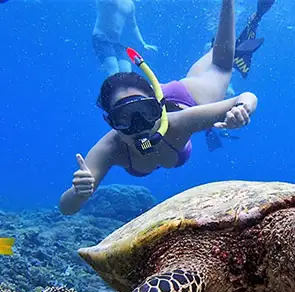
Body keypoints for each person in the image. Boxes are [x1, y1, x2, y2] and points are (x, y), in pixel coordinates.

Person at [60, 0, 258, 216]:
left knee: (222, 65)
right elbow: (67, 208)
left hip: (186, 95)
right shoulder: (110, 148)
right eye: (124, 118)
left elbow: (246, 97)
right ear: (111, 122)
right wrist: (79, 193)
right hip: (153, 97)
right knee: (216, 63)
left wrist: (242, 109)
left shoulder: (180, 121)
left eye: (145, 113)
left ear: (157, 107)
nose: (139, 126)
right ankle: (209, 50)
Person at [205, 0, 275, 151]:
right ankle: (257, 15)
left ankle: (257, 15)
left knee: (230, 50)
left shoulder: (219, 67)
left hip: (227, 62)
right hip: (229, 62)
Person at [92, 0, 158, 76]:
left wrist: (142, 43)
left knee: (126, 71)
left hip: (116, 42)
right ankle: (108, 71)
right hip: (101, 38)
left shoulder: (129, 4)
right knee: (113, 69)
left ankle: (120, 84)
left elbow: (133, 26)